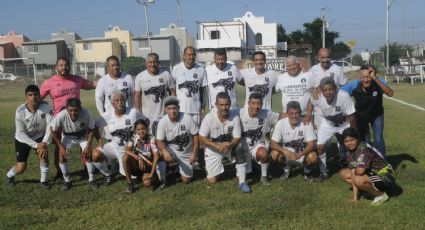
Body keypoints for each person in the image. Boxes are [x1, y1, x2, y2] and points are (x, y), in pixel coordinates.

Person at [40, 56, 97, 180]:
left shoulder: (76, 79)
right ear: (56, 67)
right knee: (59, 148)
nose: (63, 67)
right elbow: (38, 98)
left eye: (66, 65)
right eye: (60, 65)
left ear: (69, 66)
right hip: (60, 121)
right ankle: (60, 172)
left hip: (77, 118)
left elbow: (92, 84)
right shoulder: (49, 82)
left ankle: (86, 169)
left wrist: (107, 81)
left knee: (84, 144)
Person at [199, 92, 251, 193]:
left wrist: (230, 145)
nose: (224, 108)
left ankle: (242, 182)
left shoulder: (235, 118)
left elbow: (237, 138)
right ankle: (219, 168)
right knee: (212, 181)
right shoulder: (209, 118)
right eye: (221, 105)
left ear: (230, 104)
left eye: (226, 104)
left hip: (229, 147)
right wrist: (217, 146)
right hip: (213, 149)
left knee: (239, 148)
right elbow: (201, 137)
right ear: (216, 105)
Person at [50, 98, 106, 191]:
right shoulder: (61, 115)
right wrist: (61, 147)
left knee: (88, 154)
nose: (73, 113)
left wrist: (88, 146)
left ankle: (92, 179)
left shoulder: (86, 112)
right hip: (68, 137)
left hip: (82, 137)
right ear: (67, 109)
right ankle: (67, 181)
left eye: (76, 110)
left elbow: (92, 129)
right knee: (61, 156)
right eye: (70, 110)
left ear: (80, 108)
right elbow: (53, 130)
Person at [93, 91, 147, 185]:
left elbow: (146, 122)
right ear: (112, 103)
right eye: (117, 101)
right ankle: (108, 173)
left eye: (122, 100)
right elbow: (93, 126)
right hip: (114, 146)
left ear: (125, 100)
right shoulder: (107, 115)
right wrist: (99, 139)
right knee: (95, 154)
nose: (120, 102)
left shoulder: (133, 112)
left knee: (133, 176)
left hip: (131, 149)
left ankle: (125, 169)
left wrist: (142, 139)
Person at [6, 85, 53, 189]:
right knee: (21, 167)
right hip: (23, 138)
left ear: (40, 96)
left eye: (36, 94)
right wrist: (37, 145)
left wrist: (44, 143)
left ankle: (43, 181)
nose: (33, 97)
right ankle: (9, 176)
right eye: (30, 95)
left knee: (44, 156)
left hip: (39, 136)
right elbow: (21, 133)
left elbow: (51, 126)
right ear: (26, 97)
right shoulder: (20, 111)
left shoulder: (46, 107)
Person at [341, 65, 393, 157]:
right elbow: (338, 92)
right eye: (363, 77)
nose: (365, 80)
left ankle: (382, 163)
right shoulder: (354, 84)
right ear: (360, 77)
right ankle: (366, 162)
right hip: (361, 116)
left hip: (377, 115)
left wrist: (375, 78)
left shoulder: (378, 82)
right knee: (364, 140)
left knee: (378, 139)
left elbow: (390, 93)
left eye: (368, 77)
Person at [311, 77, 356, 180]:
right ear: (321, 91)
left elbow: (352, 116)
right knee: (320, 147)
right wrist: (309, 114)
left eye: (330, 89)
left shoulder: (344, 96)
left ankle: (352, 166)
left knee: (351, 145)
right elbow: (311, 103)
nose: (328, 92)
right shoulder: (317, 97)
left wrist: (353, 133)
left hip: (345, 124)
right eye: (325, 90)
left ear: (336, 88)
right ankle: (324, 172)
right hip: (328, 124)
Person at [339, 128, 395, 205]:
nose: (349, 143)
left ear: (357, 139)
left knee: (358, 179)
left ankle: (381, 195)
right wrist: (355, 197)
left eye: (352, 140)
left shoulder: (364, 148)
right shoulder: (349, 151)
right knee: (344, 173)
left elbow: (360, 171)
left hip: (385, 174)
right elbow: (353, 172)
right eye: (346, 141)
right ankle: (370, 190)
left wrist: (355, 171)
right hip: (371, 172)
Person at [156, 96, 199, 186]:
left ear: (178, 108)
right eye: (169, 108)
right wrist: (164, 151)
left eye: (175, 108)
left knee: (186, 180)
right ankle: (163, 180)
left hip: (186, 153)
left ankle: (178, 168)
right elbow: (159, 141)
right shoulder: (162, 122)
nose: (172, 111)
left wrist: (195, 153)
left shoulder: (188, 118)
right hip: (171, 150)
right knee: (159, 153)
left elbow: (196, 136)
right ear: (165, 110)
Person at [238, 93, 279, 186]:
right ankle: (254, 166)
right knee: (245, 175)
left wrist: (304, 116)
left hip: (257, 146)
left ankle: (264, 176)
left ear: (262, 104)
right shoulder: (239, 112)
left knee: (263, 153)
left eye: (259, 103)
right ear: (248, 103)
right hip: (242, 149)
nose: (256, 106)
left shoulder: (266, 113)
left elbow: (280, 116)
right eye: (253, 103)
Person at [271, 101, 318, 182]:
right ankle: (286, 170)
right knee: (274, 154)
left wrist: (300, 154)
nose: (294, 116)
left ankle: (307, 173)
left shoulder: (306, 123)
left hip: (301, 155)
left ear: (300, 113)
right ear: (287, 113)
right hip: (287, 155)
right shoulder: (280, 123)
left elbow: (312, 144)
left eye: (297, 113)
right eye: (291, 113)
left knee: (313, 156)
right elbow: (273, 143)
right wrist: (284, 151)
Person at [134, 53, 176, 132]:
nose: (153, 64)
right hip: (147, 116)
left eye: (155, 62)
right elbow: (137, 96)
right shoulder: (140, 77)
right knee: (150, 141)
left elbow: (172, 93)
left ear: (158, 63)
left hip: (163, 115)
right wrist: (138, 113)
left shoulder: (166, 74)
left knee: (163, 139)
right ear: (146, 63)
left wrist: (171, 110)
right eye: (150, 62)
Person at [171, 46, 207, 126]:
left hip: (196, 111)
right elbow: (172, 89)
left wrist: (203, 108)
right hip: (180, 110)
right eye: (189, 54)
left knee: (195, 136)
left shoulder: (201, 70)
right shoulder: (176, 69)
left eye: (193, 55)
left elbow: (203, 91)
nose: (191, 57)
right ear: (184, 55)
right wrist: (173, 105)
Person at [123, 119, 159, 193]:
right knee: (125, 157)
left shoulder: (151, 139)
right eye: (138, 129)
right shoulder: (134, 137)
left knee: (147, 184)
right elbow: (127, 150)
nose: (141, 131)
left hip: (148, 166)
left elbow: (156, 156)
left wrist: (151, 174)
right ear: (135, 131)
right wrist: (138, 157)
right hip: (138, 164)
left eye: (143, 129)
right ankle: (130, 184)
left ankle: (153, 177)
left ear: (147, 129)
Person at [275, 55, 315, 121]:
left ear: (298, 64)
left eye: (294, 65)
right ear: (286, 67)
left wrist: (309, 113)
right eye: (289, 66)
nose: (292, 67)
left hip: (305, 115)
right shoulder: (281, 77)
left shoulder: (308, 75)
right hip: (287, 115)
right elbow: (277, 90)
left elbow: (316, 91)